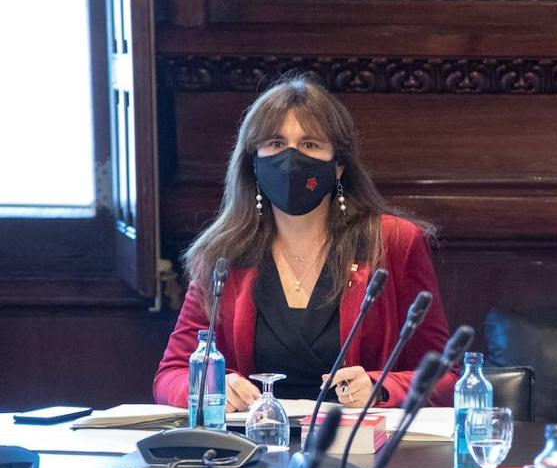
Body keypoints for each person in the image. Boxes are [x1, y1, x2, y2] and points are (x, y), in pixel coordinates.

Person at [153, 74, 454, 412]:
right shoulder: (223, 254)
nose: (291, 160)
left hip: (356, 438)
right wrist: (211, 386)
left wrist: (380, 388)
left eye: (310, 145)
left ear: (338, 165)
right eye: (276, 144)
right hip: (251, 439)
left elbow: (446, 376)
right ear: (254, 163)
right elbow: (171, 374)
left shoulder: (393, 242)